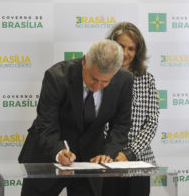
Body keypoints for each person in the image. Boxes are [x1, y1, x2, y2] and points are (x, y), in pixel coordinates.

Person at [18, 39, 133, 196]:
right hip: (47, 155)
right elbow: (46, 123)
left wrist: (109, 154)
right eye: (93, 78)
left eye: (105, 82)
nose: (97, 86)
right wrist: (58, 152)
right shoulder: (57, 76)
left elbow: (121, 124)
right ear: (85, 61)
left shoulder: (125, 80)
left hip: (90, 161)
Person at [102, 22, 159, 196]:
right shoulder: (100, 76)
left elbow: (151, 122)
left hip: (139, 161)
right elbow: (99, 120)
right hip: (107, 161)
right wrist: (113, 154)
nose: (125, 53)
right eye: (120, 46)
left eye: (131, 48)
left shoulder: (147, 79)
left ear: (137, 52)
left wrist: (129, 154)